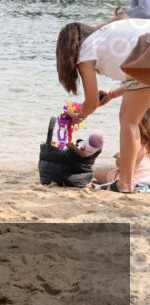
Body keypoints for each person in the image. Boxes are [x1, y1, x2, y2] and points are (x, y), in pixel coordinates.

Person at [56, 17, 150, 193]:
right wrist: (113, 94)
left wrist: (79, 116)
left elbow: (91, 103)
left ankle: (126, 184)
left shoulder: (86, 52)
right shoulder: (106, 33)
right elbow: (140, 77)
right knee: (132, 118)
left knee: (130, 121)